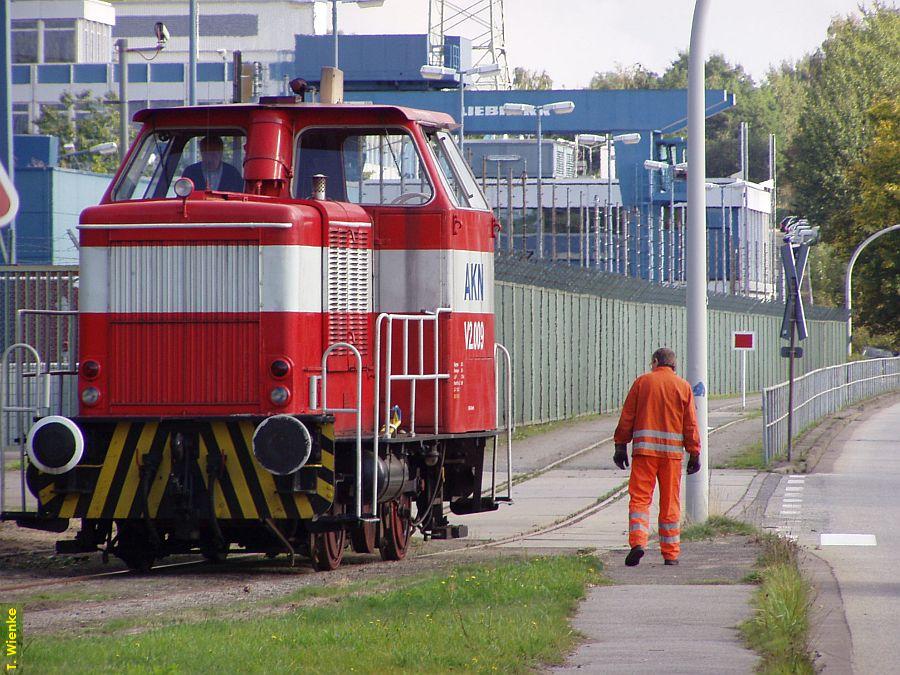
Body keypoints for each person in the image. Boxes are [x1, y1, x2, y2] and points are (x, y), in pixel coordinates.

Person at [613, 347, 701, 567]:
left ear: (655, 361)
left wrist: (620, 445)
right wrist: (694, 453)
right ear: (674, 365)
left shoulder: (642, 383)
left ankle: (638, 543)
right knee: (670, 503)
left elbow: (628, 416)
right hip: (671, 456)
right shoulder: (683, 387)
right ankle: (670, 554)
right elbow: (690, 424)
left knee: (640, 499)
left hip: (644, 453)